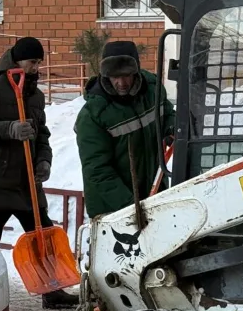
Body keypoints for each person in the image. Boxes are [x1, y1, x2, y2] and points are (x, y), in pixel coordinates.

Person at [0, 36, 78, 309]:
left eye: (39, 62)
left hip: (28, 183)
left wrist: (44, 161)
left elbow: (42, 135)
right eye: (31, 62)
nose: (35, 67)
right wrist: (9, 129)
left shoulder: (35, 96)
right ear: (17, 61)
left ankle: (52, 291)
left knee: (44, 237)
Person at [75, 41, 176, 218]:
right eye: (115, 77)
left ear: (135, 72)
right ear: (106, 75)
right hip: (113, 209)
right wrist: (131, 207)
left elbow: (167, 113)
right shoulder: (93, 115)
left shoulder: (152, 91)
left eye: (127, 76)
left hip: (152, 192)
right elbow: (98, 171)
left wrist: (171, 128)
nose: (121, 83)